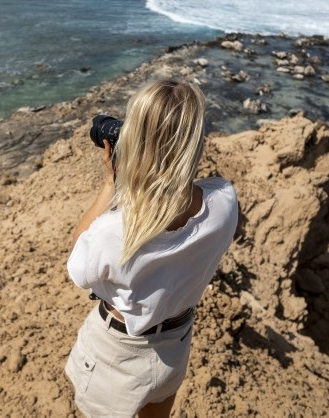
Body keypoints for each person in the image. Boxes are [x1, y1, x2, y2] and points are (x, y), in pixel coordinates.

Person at [65, 79, 239, 417]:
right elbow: (183, 196)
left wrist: (111, 183)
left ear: (135, 141)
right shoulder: (225, 200)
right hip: (175, 345)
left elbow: (78, 263)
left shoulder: (114, 230)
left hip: (118, 355)